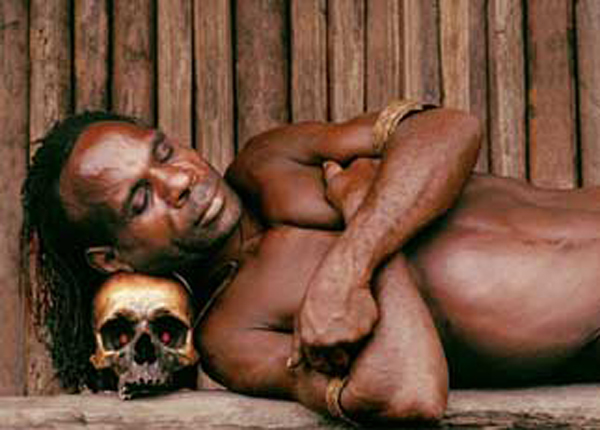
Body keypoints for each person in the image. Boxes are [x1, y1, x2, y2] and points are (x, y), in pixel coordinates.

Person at [23, 102, 600, 425]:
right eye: (140, 199)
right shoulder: (232, 335)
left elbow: (448, 128)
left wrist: (352, 257)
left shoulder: (270, 159)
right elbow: (408, 392)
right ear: (111, 257)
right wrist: (360, 210)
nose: (181, 182)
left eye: (165, 152)